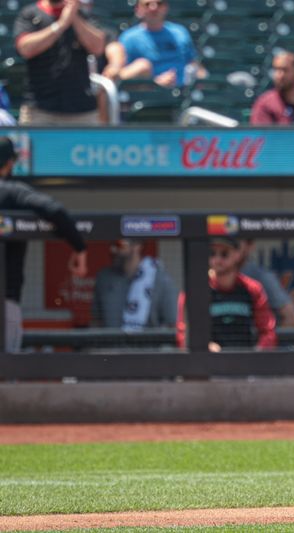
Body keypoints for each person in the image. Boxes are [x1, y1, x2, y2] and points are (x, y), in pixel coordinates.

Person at [0, 137, 88, 352]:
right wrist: (80, 248)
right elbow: (54, 211)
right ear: (10, 163)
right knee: (5, 374)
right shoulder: (12, 191)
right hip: (5, 302)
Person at [13, 0, 106, 125]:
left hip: (82, 110)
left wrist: (74, 18)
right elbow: (25, 48)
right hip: (40, 109)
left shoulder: (82, 14)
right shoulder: (30, 13)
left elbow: (98, 47)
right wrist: (60, 24)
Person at [176, 237, 277, 351]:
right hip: (208, 364)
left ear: (237, 254)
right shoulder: (194, 291)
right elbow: (184, 335)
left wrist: (256, 353)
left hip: (245, 362)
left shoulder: (253, 289)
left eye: (224, 254)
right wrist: (205, 346)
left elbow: (268, 332)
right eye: (212, 253)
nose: (217, 259)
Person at [92, 239, 178, 331]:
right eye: (111, 245)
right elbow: (96, 322)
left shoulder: (160, 280)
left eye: (119, 245)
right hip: (110, 344)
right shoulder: (104, 278)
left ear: (137, 246)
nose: (113, 250)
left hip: (149, 344)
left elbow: (171, 325)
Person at [118, 0, 207, 88]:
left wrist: (204, 80)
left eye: (159, 3)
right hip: (149, 96)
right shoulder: (129, 38)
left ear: (166, 7)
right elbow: (122, 75)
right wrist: (153, 82)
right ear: (138, 9)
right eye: (147, 4)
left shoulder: (180, 32)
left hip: (184, 93)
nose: (154, 8)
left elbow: (192, 63)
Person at [237, 239, 294, 328]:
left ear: (249, 247)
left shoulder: (261, 277)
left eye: (236, 244)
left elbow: (293, 320)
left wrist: (268, 339)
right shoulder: (214, 277)